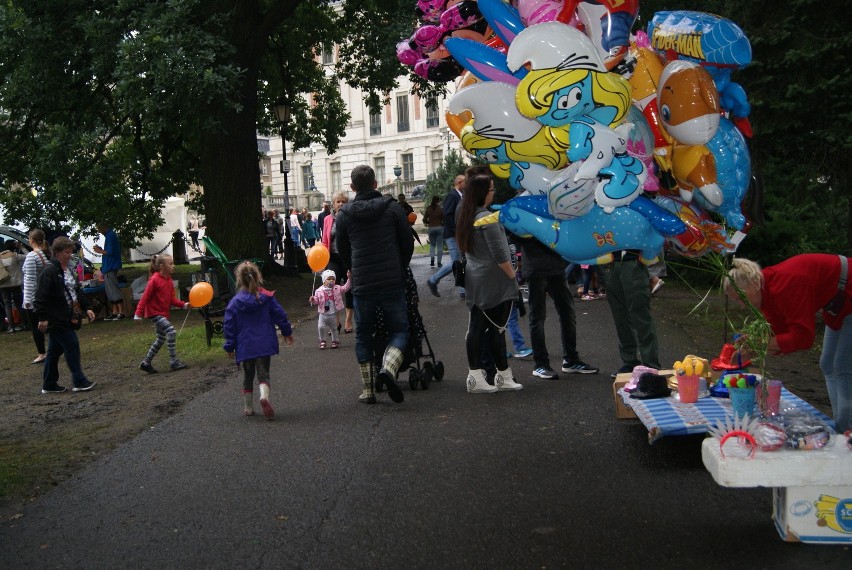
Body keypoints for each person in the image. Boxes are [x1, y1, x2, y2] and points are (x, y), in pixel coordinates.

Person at [725, 255, 852, 433]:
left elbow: (803, 338)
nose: (741, 305)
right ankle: (842, 423)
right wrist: (753, 345)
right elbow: (780, 335)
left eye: (740, 298)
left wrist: (760, 345)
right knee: (827, 364)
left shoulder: (786, 285)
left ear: (752, 284)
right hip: (836, 302)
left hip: (848, 290)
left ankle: (845, 429)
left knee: (842, 366)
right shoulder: (766, 293)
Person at [335, 165, 414, 405]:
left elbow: (343, 248)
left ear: (352, 188)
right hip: (391, 279)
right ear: (376, 184)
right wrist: (400, 265)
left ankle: (368, 390)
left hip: (363, 283)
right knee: (400, 330)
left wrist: (353, 268)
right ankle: (389, 369)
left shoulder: (344, 215)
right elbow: (407, 242)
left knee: (363, 336)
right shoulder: (392, 209)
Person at [454, 166, 524, 394]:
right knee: (496, 329)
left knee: (478, 328)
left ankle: (481, 376)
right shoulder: (487, 218)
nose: (494, 193)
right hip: (495, 280)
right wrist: (514, 277)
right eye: (491, 189)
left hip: (476, 278)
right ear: (482, 192)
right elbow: (500, 254)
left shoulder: (467, 215)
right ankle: (499, 376)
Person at [515, 236, 598, 379]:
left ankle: (571, 359)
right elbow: (514, 232)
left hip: (556, 266)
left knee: (567, 312)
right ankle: (541, 364)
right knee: (538, 317)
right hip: (536, 267)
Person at [223, 261, 294, 419]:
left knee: (248, 374)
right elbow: (280, 315)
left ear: (239, 280)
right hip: (264, 342)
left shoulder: (235, 303)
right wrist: (286, 332)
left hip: (245, 345)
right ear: (258, 277)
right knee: (263, 373)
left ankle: (248, 407)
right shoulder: (266, 297)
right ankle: (264, 397)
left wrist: (229, 346)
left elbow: (229, 325)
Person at [33, 237, 97, 393]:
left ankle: (49, 384)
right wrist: (42, 318)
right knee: (72, 346)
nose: (70, 255)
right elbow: (40, 296)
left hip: (67, 314)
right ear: (57, 253)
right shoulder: (49, 271)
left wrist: (87, 307)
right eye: (67, 252)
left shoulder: (66, 269)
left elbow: (75, 290)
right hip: (57, 317)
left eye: (70, 251)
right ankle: (79, 380)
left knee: (54, 352)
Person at [603, 249, 661, 378]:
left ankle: (650, 365)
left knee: (640, 317)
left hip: (634, 261)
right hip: (610, 262)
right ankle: (629, 362)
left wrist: (653, 273)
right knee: (620, 318)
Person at [134, 254, 191, 374]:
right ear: (161, 266)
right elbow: (144, 298)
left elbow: (172, 299)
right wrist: (138, 314)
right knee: (171, 331)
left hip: (162, 313)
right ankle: (173, 361)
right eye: (170, 263)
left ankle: (146, 363)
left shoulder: (169, 280)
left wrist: (184, 305)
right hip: (154, 313)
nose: (173, 266)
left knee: (160, 338)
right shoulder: (154, 280)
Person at [426, 174, 465, 298]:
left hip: (456, 234)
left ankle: (463, 290)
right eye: (466, 182)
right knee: (455, 261)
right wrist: (456, 230)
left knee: (459, 261)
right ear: (459, 182)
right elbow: (447, 214)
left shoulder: (460, 196)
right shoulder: (452, 195)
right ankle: (433, 280)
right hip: (452, 234)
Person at [323, 191, 354, 333]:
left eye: (343, 201)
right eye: (338, 201)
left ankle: (348, 319)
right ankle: (335, 321)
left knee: (349, 288)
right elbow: (325, 240)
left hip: (347, 257)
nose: (340, 204)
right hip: (333, 257)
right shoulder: (327, 219)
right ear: (333, 204)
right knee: (330, 288)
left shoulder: (351, 218)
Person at [22, 229, 50, 363]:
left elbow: (30, 279)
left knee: (36, 327)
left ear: (31, 240)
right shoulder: (43, 255)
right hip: (43, 295)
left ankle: (42, 353)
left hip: (34, 297)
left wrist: (27, 299)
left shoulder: (32, 256)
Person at [309, 269, 352, 349]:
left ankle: (335, 340)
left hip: (332, 314)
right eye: (329, 279)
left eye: (333, 279)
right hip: (322, 314)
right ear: (324, 281)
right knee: (320, 327)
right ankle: (322, 340)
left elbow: (346, 288)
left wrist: (349, 279)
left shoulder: (337, 288)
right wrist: (313, 300)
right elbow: (316, 301)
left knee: (334, 328)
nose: (331, 281)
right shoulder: (319, 291)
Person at [92, 223, 126, 321]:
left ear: (104, 227)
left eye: (99, 228)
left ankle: (121, 311)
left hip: (111, 267)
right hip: (107, 267)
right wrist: (102, 250)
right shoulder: (109, 236)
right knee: (109, 290)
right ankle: (115, 312)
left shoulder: (111, 236)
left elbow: (110, 252)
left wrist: (99, 251)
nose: (98, 231)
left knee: (114, 289)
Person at [1, 239, 27, 333]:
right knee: (19, 304)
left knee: (7, 305)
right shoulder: (15, 255)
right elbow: (28, 255)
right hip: (15, 283)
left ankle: (11, 327)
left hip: (3, 283)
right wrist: (22, 247)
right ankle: (25, 324)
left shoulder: (0, 256)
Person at [423, 195, 444, 268]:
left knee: (432, 245)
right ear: (438, 201)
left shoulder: (428, 209)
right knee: (439, 246)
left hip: (431, 228)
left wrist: (430, 222)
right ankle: (439, 262)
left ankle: (432, 259)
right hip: (439, 227)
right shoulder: (440, 209)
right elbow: (444, 219)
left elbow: (424, 220)